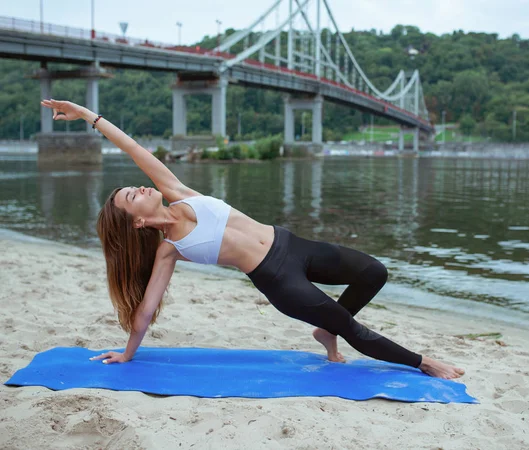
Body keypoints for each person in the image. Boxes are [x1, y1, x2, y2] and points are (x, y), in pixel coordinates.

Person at [41, 99, 465, 380]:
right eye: (132, 196)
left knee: (374, 271)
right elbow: (147, 310)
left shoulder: (179, 193)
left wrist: (85, 114)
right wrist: (128, 353)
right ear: (135, 222)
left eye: (135, 186)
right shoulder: (171, 250)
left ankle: (324, 331)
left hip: (293, 244)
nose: (140, 187)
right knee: (352, 329)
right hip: (279, 280)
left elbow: (132, 147)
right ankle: (424, 363)